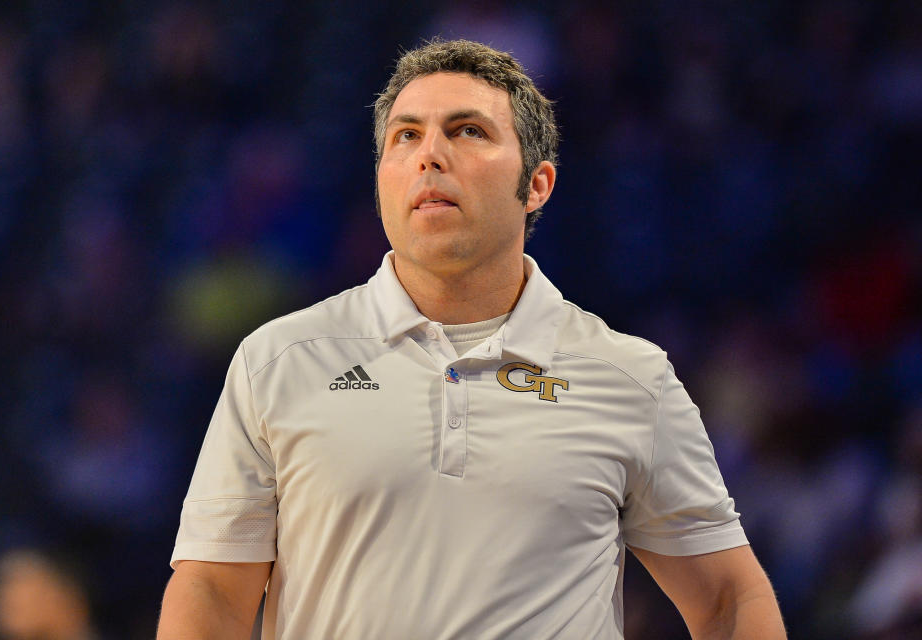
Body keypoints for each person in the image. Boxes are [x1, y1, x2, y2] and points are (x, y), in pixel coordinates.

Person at [157, 39, 786, 639]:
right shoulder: (278, 362)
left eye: (468, 131)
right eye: (407, 136)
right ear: (381, 183)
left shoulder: (630, 377)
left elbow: (730, 599)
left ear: (536, 184)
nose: (430, 154)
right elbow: (211, 592)